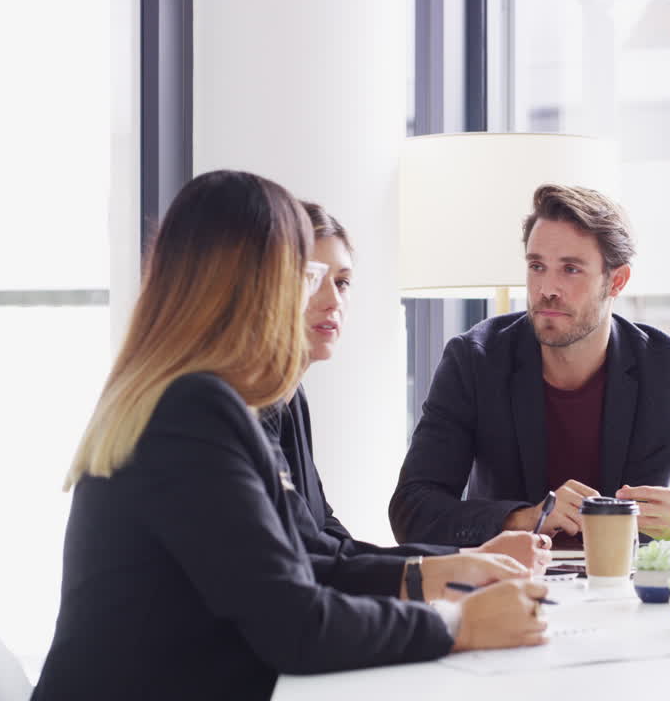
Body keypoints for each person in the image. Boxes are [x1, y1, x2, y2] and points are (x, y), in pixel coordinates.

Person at [32, 171, 548, 701]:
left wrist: (435, 576)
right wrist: (456, 624)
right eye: (305, 274)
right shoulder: (192, 413)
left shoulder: (192, 400)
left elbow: (304, 562)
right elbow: (296, 625)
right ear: (258, 283)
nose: (318, 296)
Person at [390, 183, 670, 548]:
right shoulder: (474, 361)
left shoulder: (667, 368)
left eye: (570, 269)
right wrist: (526, 519)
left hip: (630, 597)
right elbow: (412, 512)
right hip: (509, 590)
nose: (547, 288)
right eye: (537, 266)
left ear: (616, 281)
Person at [262, 202, 551, 572]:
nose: (333, 301)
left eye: (342, 282)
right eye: (311, 280)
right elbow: (309, 554)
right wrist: (463, 564)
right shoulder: (248, 405)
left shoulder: (290, 395)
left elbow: (326, 534)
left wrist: (465, 564)